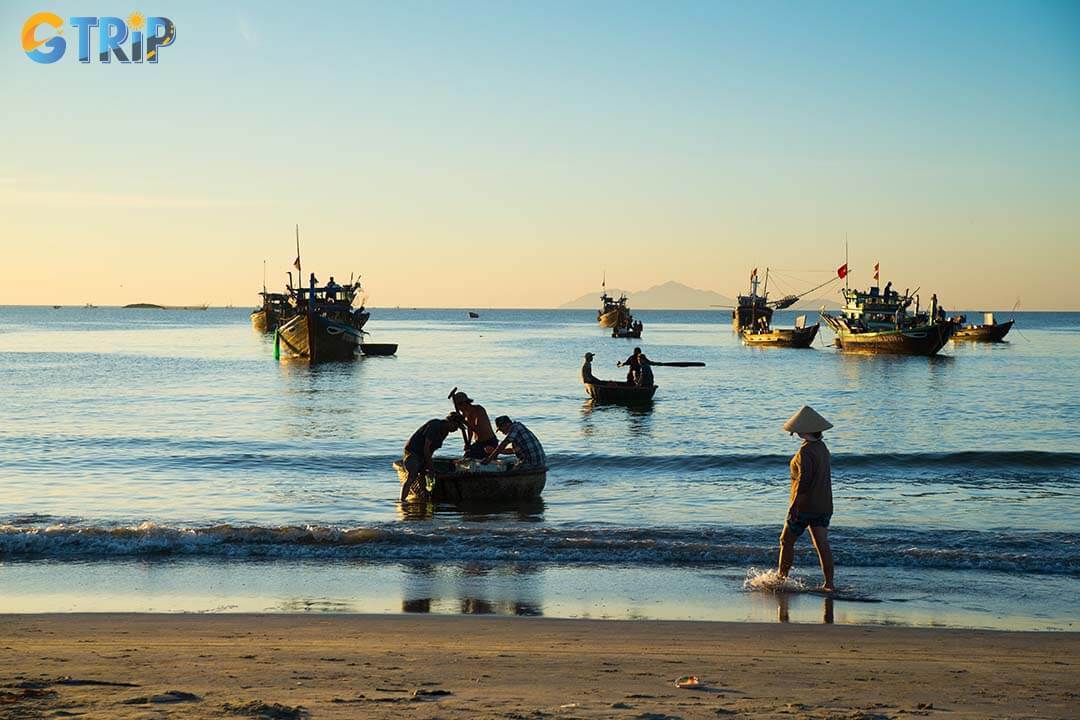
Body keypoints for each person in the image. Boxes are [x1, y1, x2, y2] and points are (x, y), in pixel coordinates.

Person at [777, 405, 835, 592]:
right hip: (823, 505)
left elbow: (804, 481)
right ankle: (829, 584)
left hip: (804, 506)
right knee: (822, 545)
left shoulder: (805, 451)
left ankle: (781, 579)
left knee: (786, 541)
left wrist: (794, 506)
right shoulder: (822, 448)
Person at [400, 413, 465, 502]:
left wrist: (429, 466)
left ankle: (424, 498)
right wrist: (430, 468)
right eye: (456, 426)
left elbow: (431, 450)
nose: (456, 429)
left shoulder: (445, 432)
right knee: (412, 476)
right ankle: (402, 501)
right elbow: (426, 448)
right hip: (413, 453)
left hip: (423, 455)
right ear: (450, 422)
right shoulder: (435, 425)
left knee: (424, 476)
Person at [452, 391, 498, 459]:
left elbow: (478, 430)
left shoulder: (479, 410)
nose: (459, 408)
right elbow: (470, 429)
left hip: (489, 442)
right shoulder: (465, 412)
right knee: (467, 456)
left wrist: (464, 421)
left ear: (465, 403)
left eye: (459, 405)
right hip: (479, 443)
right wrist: (468, 443)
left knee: (474, 458)